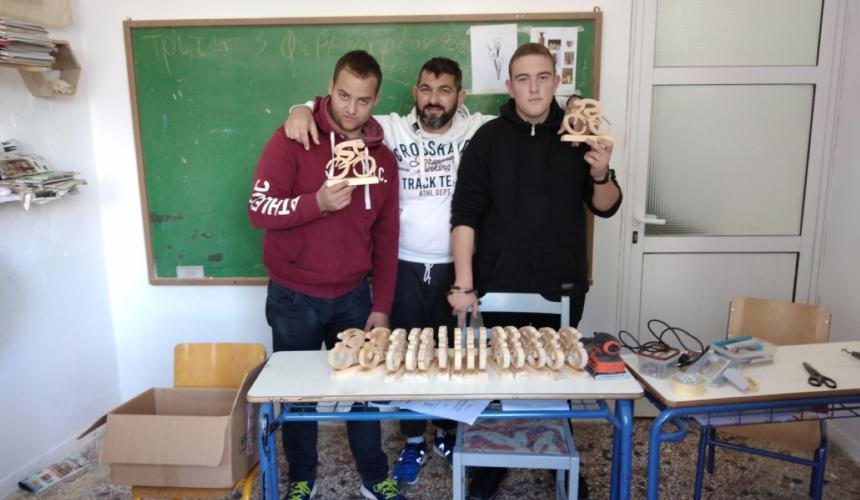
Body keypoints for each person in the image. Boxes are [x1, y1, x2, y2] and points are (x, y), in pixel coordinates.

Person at [284, 57, 493, 488]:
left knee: (452, 356)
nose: (434, 99)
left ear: (460, 97)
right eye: (426, 89)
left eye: (445, 91)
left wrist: (574, 104)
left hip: (457, 268)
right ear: (414, 92)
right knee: (407, 359)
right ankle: (413, 439)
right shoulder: (389, 128)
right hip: (403, 264)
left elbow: (530, 113)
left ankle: (448, 433)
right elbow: (336, 109)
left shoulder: (479, 130)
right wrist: (299, 108)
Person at [448, 42, 622, 500]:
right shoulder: (487, 139)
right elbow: (464, 216)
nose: (534, 88)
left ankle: (563, 463)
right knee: (501, 376)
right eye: (523, 79)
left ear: (556, 81)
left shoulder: (577, 134)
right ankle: (495, 460)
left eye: (543, 78)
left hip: (562, 284)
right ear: (510, 86)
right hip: (499, 284)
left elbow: (606, 206)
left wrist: (601, 173)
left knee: (557, 376)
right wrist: (464, 284)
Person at [248, 50, 405, 500]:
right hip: (293, 296)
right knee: (298, 394)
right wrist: (315, 203)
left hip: (354, 295)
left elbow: (387, 238)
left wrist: (382, 304)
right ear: (330, 89)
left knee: (362, 389)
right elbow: (259, 210)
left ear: (376, 100)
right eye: (343, 95)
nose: (351, 108)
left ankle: (373, 475)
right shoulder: (293, 138)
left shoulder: (383, 161)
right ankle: (302, 477)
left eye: (363, 100)